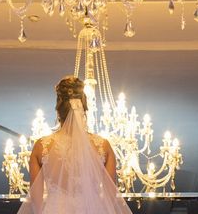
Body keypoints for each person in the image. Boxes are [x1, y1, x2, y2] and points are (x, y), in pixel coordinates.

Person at [17, 75, 132, 214]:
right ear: (84, 109)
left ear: (58, 110)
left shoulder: (41, 146)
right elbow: (110, 198)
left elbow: (36, 202)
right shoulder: (103, 146)